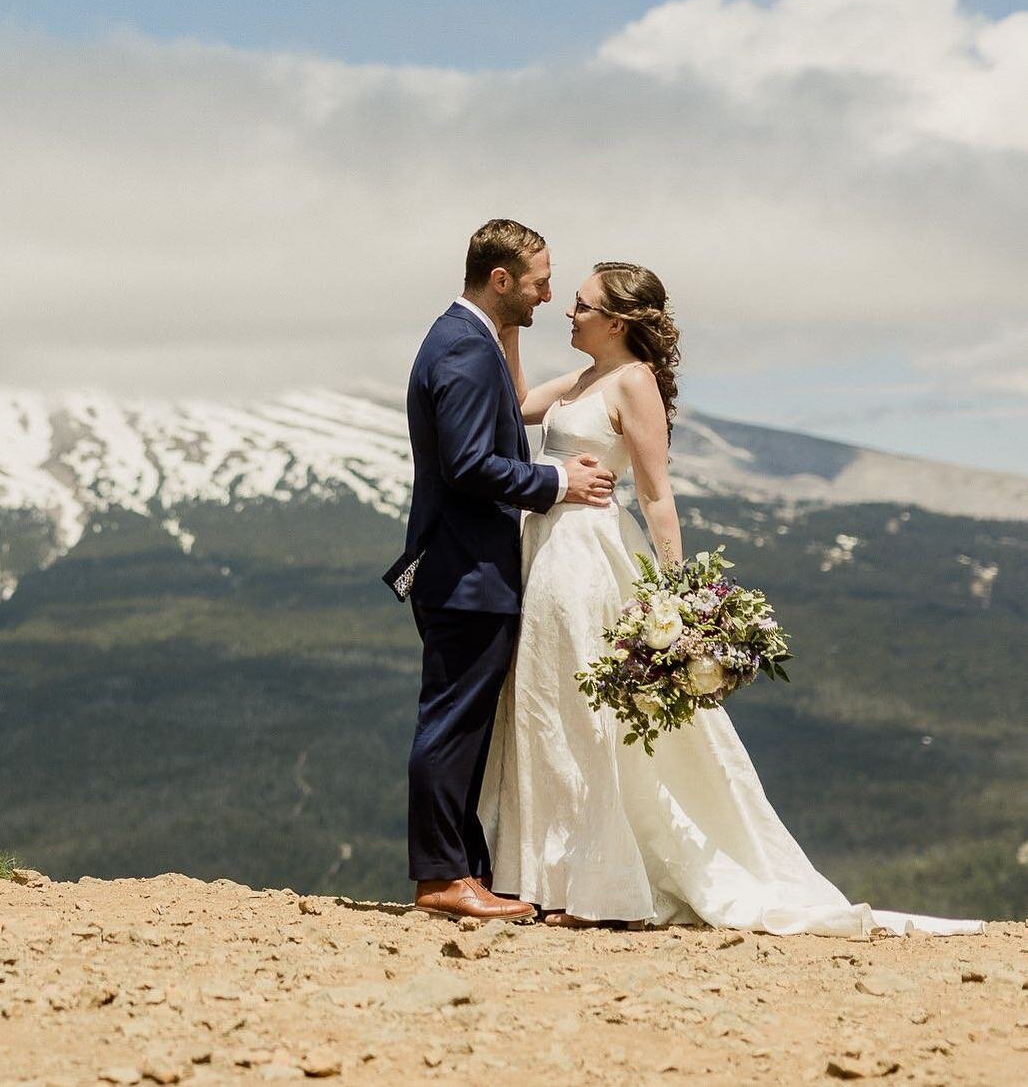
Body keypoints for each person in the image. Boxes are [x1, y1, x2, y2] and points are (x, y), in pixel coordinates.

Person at [478, 260, 983, 937]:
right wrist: (509, 328)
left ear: (617, 321)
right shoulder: (583, 379)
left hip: (588, 558)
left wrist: (676, 598)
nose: (568, 313)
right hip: (543, 551)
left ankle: (599, 884)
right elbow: (513, 406)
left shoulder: (632, 382)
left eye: (580, 305)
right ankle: (546, 876)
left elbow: (656, 492)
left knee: (584, 718)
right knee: (547, 709)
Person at [387, 220, 617, 922]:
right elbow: (464, 464)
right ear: (499, 279)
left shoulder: (471, 338)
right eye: (540, 280)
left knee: (466, 725)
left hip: (473, 569)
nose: (549, 294)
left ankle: (467, 870)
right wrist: (555, 481)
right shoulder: (460, 347)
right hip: (463, 572)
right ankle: (440, 877)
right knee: (451, 723)